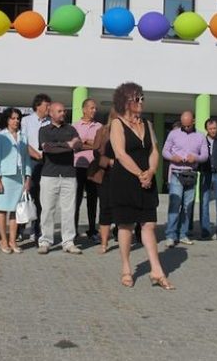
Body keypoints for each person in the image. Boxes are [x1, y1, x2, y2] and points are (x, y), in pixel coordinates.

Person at [109, 82, 173, 289]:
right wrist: (139, 174)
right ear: (127, 102)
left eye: (142, 97)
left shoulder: (148, 124)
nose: (142, 102)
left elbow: (154, 151)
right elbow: (120, 153)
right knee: (126, 225)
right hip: (125, 179)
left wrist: (151, 172)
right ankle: (126, 268)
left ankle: (157, 270)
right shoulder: (117, 124)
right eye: (138, 98)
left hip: (147, 179)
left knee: (149, 225)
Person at [37, 102, 83, 255]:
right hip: (49, 175)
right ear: (51, 113)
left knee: (69, 210)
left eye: (64, 111)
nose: (63, 113)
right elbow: (47, 148)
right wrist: (67, 145)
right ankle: (45, 241)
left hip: (69, 175)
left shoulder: (71, 129)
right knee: (48, 210)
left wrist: (63, 145)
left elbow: (78, 145)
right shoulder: (44, 130)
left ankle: (68, 242)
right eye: (59, 111)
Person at [161, 111, 208, 247]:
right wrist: (172, 157)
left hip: (191, 173)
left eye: (188, 125)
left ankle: (183, 234)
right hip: (176, 172)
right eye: (183, 125)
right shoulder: (173, 134)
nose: (186, 128)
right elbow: (165, 151)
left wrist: (196, 158)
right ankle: (170, 235)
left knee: (188, 206)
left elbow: (205, 155)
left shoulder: (200, 136)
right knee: (175, 204)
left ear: (193, 121)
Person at [0, 107, 31, 254]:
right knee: (2, 209)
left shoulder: (23, 137)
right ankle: (3, 239)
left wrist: (28, 177)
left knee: (16, 210)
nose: (16, 121)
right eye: (13, 118)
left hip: (19, 177)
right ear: (7, 120)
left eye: (18, 118)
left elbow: (27, 159)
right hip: (5, 177)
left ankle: (13, 240)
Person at [20, 93, 51, 243]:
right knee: (25, 195)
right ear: (38, 106)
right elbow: (23, 142)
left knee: (40, 198)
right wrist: (36, 154)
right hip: (30, 161)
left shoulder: (49, 123)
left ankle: (36, 230)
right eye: (46, 105)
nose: (48, 108)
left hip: (45, 163)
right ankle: (19, 229)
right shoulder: (26, 121)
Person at [88, 108, 117, 253]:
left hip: (124, 174)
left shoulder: (129, 131)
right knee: (105, 207)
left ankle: (122, 236)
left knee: (122, 206)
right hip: (105, 173)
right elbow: (96, 153)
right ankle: (104, 243)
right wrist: (109, 162)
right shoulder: (103, 131)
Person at [73, 98, 102, 243]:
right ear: (84, 109)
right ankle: (73, 230)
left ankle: (92, 230)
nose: (94, 111)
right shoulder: (75, 126)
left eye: (95, 108)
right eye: (91, 108)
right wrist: (89, 143)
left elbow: (100, 146)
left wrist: (85, 142)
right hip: (78, 167)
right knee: (76, 200)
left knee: (92, 201)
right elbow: (75, 146)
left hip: (93, 168)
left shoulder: (99, 127)